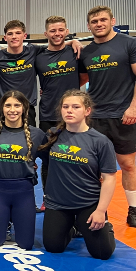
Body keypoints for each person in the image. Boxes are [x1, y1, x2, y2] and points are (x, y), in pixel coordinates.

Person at [79, 5, 136, 228]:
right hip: (95, 117)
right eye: (94, 21)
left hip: (123, 115)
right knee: (94, 167)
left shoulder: (131, 44)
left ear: (112, 20)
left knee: (127, 164)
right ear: (88, 26)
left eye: (102, 20)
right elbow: (80, 80)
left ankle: (134, 211)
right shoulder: (87, 51)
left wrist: (134, 107)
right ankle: (99, 211)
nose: (99, 24)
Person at [40, 90, 117, 260]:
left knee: (102, 253)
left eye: (76, 107)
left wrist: (100, 210)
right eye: (65, 107)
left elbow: (109, 178)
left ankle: (107, 226)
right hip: (58, 204)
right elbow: (45, 161)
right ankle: (72, 228)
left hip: (87, 204)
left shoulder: (100, 141)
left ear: (87, 111)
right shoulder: (52, 135)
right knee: (53, 247)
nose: (69, 110)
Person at [0, 91, 46, 250]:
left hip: (24, 192)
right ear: (2, 108)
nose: (12, 110)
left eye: (17, 105)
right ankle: (3, 218)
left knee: (26, 244)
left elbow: (50, 161)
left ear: (24, 108)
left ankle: (14, 219)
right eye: (8, 105)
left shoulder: (37, 134)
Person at [35, 15, 81, 196]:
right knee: (48, 158)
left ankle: (74, 195)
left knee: (76, 156)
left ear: (67, 32)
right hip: (48, 113)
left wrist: (74, 42)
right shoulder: (38, 55)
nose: (57, 34)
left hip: (74, 115)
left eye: (61, 30)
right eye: (53, 31)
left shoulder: (75, 52)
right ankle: (48, 196)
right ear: (46, 33)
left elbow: (83, 76)